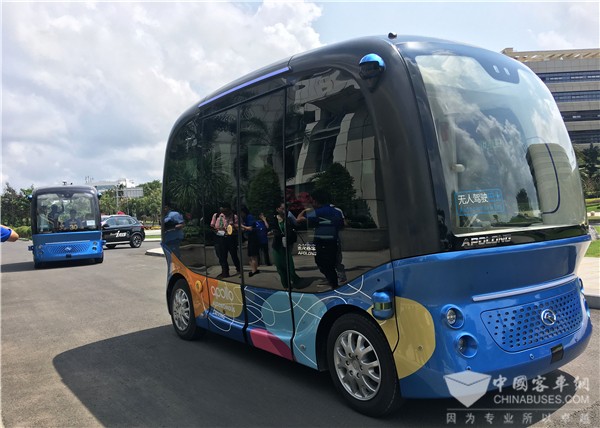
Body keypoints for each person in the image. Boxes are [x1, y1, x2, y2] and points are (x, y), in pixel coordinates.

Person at [297, 189, 343, 288]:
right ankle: (334, 283)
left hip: (321, 243)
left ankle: (333, 284)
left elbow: (299, 220)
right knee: (331, 265)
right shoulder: (336, 212)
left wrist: (305, 210)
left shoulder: (316, 212)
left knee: (322, 264)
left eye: (312, 200)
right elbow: (341, 225)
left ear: (316, 201)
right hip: (333, 241)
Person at [271, 202, 301, 289]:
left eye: (285, 208)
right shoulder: (274, 219)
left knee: (289, 264)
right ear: (277, 209)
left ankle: (294, 278)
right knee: (280, 265)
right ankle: (285, 284)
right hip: (277, 245)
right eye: (282, 208)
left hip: (287, 244)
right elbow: (272, 228)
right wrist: (275, 232)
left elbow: (296, 225)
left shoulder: (288, 218)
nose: (284, 210)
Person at [210, 202, 240, 279]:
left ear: (229, 209)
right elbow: (212, 226)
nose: (224, 213)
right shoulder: (217, 215)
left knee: (234, 254)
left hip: (231, 238)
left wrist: (232, 229)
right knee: (222, 256)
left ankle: (239, 269)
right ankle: (225, 271)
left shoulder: (234, 216)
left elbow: (239, 227)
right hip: (220, 237)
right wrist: (217, 231)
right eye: (222, 211)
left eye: (226, 211)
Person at [240, 205, 260, 277]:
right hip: (250, 237)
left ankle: (254, 270)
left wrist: (241, 226)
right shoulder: (245, 218)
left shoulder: (249, 217)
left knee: (253, 255)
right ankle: (254, 269)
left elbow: (250, 228)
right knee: (251, 255)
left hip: (253, 237)